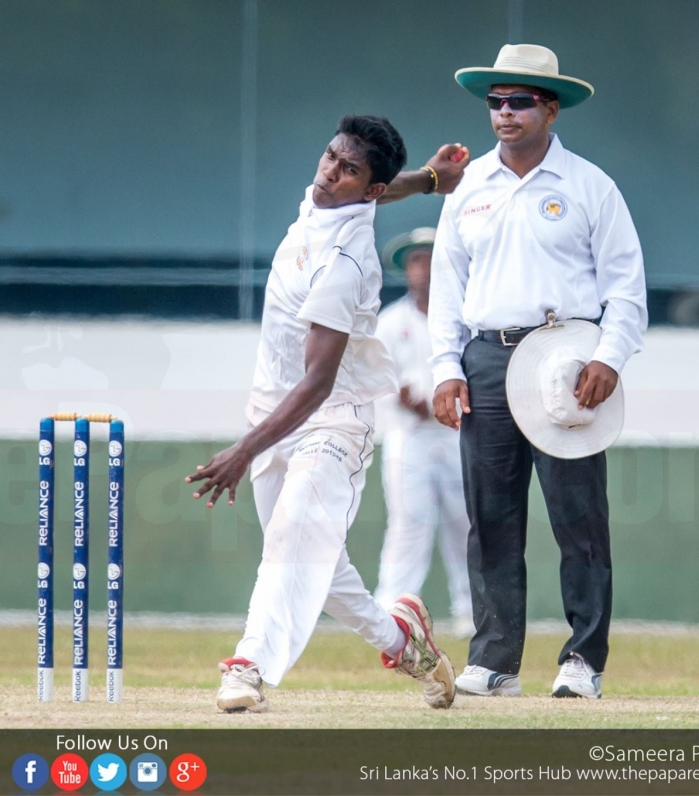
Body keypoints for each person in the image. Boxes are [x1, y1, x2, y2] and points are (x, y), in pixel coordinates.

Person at [187, 116, 468, 713]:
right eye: (331, 157)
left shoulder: (345, 261)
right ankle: (405, 643)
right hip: (273, 413)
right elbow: (376, 190)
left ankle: (247, 667)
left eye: (348, 170)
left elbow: (317, 384)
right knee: (318, 564)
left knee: (292, 536)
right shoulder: (327, 200)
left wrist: (243, 451)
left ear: (367, 187)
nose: (329, 174)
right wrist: (429, 179)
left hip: (331, 418)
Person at [422, 44, 646, 699]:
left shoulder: (589, 186)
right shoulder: (468, 188)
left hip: (566, 356)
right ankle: (494, 660)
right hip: (487, 355)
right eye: (496, 101)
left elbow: (626, 286)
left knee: (579, 518)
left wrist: (609, 356)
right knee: (490, 517)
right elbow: (447, 287)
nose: (505, 113)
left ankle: (583, 661)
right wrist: (445, 366)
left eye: (520, 101)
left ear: (551, 109)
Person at [371, 227, 474, 639]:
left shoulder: (464, 317)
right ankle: (391, 612)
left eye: (430, 259)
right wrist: (402, 399)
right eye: (416, 260)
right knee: (409, 522)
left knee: (466, 523)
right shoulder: (390, 321)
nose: (423, 268)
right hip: (409, 435)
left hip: (458, 433)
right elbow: (376, 376)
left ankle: (472, 612)